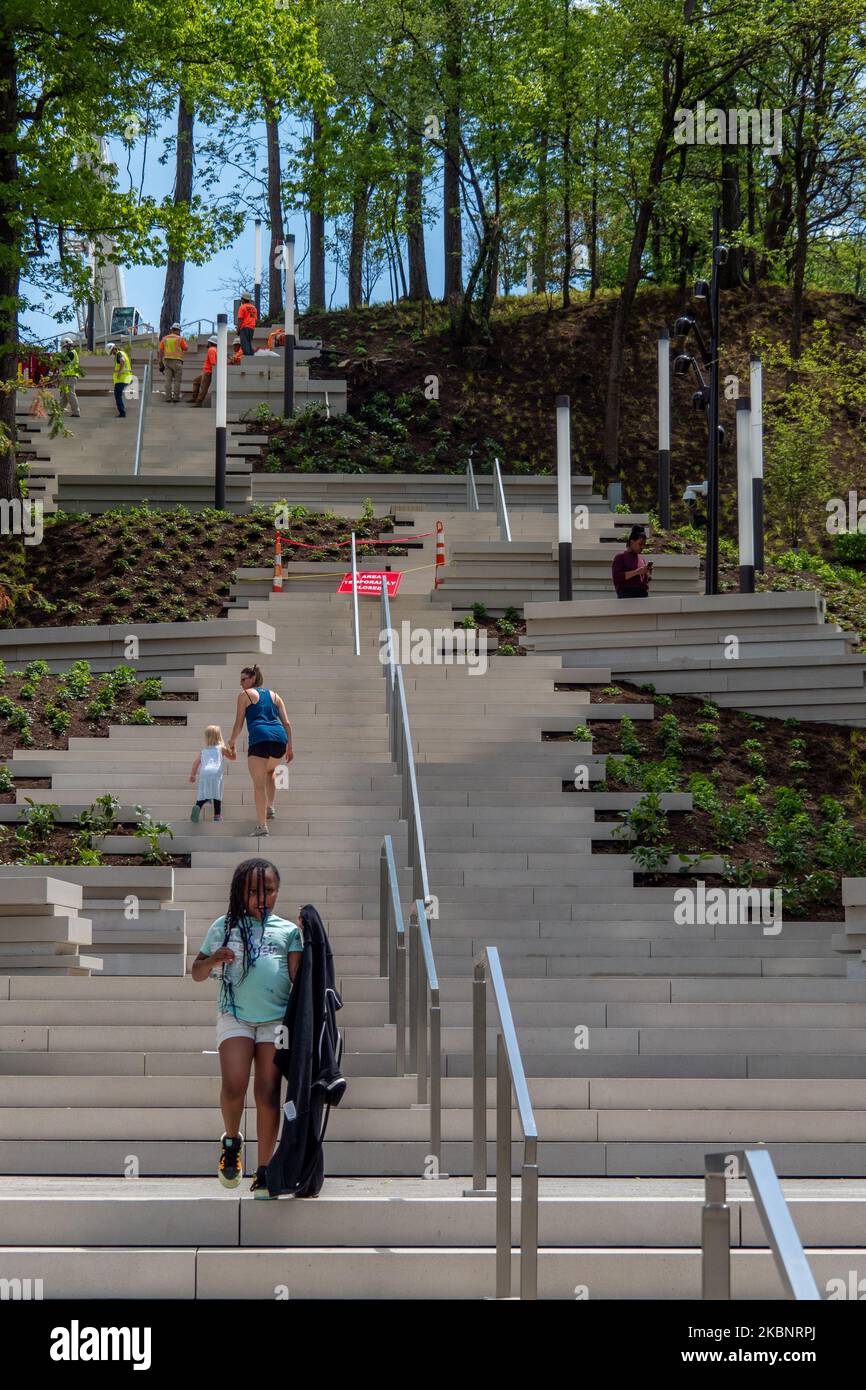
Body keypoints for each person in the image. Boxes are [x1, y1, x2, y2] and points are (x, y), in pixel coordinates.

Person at [190, 858, 303, 1196]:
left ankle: (266, 1169)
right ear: (240, 893)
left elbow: (298, 977)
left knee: (268, 1092)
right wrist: (213, 959)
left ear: (278, 891)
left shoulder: (288, 932)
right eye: (253, 892)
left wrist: (308, 937)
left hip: (275, 1019)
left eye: (268, 891)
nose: (262, 898)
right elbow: (196, 972)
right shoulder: (223, 926)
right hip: (235, 1015)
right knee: (235, 1084)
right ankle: (231, 1141)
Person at [227, 664, 294, 837]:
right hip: (280, 739)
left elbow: (239, 723)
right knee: (270, 770)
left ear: (253, 678)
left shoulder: (245, 695)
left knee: (258, 786)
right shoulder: (275, 696)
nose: (241, 683)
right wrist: (290, 746)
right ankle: (270, 807)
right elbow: (287, 723)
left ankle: (262, 826)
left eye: (244, 679)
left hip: (260, 738)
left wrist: (231, 740)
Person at [189, 724, 236, 823]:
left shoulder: (204, 751)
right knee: (216, 794)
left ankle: (198, 805)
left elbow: (196, 763)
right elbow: (233, 758)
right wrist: (233, 748)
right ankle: (217, 816)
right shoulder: (221, 748)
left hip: (204, 773)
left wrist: (193, 775)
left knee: (202, 794)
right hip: (216, 773)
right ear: (219, 736)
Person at [612, 525, 653, 598]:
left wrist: (647, 574)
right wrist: (637, 572)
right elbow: (617, 577)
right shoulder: (621, 557)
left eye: (644, 544)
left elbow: (643, 581)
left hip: (642, 596)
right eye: (640, 544)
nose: (642, 547)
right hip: (627, 597)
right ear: (632, 541)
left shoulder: (641, 559)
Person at [158, 321, 188, 403]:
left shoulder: (165, 339)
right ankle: (176, 397)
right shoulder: (180, 338)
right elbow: (186, 348)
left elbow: (160, 350)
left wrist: (160, 362)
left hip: (167, 361)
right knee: (177, 381)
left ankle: (168, 397)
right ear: (178, 330)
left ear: (172, 329)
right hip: (177, 361)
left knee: (168, 380)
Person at [56, 339, 83, 417]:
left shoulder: (71, 353)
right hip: (67, 377)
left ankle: (76, 412)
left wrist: (58, 360)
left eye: (65, 346)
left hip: (70, 377)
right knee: (64, 395)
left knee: (70, 394)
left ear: (68, 345)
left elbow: (63, 362)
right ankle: (58, 411)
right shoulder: (70, 353)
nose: (64, 348)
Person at [189, 335, 218, 406]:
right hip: (208, 371)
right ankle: (195, 398)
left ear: (211, 343)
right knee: (196, 380)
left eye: (208, 342)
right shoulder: (215, 349)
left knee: (203, 387)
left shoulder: (211, 349)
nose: (207, 343)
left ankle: (198, 402)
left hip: (208, 372)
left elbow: (213, 362)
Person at [107, 342, 133, 418]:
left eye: (111, 352)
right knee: (118, 395)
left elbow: (122, 361)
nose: (112, 354)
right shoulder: (122, 353)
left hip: (122, 378)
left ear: (114, 349)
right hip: (125, 378)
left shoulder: (119, 354)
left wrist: (119, 372)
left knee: (117, 395)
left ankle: (122, 413)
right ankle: (122, 412)